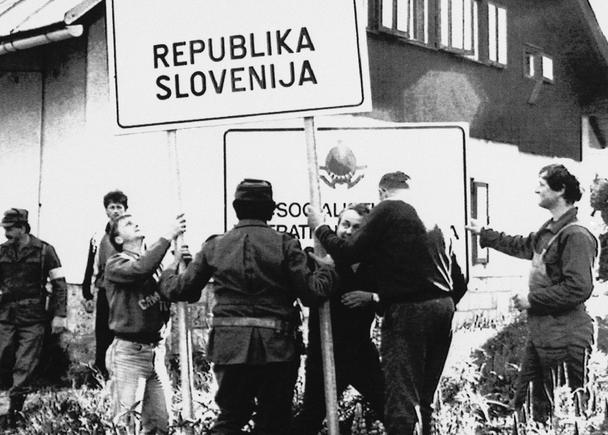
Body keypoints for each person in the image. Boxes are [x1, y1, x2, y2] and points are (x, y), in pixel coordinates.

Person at [159, 178, 337, 435]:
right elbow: (312, 293)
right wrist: (328, 269)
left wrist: (168, 271)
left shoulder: (215, 245)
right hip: (277, 346)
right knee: (273, 422)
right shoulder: (285, 243)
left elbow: (180, 290)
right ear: (271, 210)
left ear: (235, 207)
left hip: (230, 346)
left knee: (231, 416)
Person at [308, 171, 455, 435]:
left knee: (400, 400)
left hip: (410, 314)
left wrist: (320, 228)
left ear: (382, 192)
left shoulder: (388, 209)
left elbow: (348, 250)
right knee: (423, 401)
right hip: (444, 309)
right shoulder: (433, 215)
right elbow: (458, 280)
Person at [465, 164, 597, 421]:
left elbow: (578, 288)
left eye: (542, 184)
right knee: (527, 409)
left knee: (569, 413)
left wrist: (531, 300)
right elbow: (523, 245)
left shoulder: (576, 235)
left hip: (567, 337)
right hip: (544, 334)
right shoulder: (551, 230)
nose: (536, 189)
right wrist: (484, 233)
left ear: (560, 190)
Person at [291, 203, 384, 434]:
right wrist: (322, 270)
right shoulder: (315, 257)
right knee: (311, 417)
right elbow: (306, 296)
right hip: (324, 352)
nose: (349, 231)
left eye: (356, 227)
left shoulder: (375, 264)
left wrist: (371, 298)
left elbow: (391, 300)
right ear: (336, 226)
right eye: (345, 225)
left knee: (390, 408)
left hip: (360, 351)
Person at [0, 208, 67, 426]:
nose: (5, 232)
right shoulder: (1, 252)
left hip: (33, 318)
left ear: (23, 228)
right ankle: (10, 390)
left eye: (10, 228)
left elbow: (60, 285)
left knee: (25, 365)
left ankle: (14, 412)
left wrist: (59, 315)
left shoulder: (45, 251)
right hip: (6, 315)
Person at [103, 212, 186, 435]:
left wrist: (175, 263)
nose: (136, 224)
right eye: (128, 224)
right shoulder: (116, 263)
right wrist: (168, 236)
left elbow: (164, 290)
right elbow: (139, 270)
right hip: (129, 353)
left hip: (154, 353)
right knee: (124, 424)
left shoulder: (152, 263)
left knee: (160, 423)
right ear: (119, 239)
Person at [82, 190, 128, 377]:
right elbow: (91, 266)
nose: (116, 211)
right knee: (103, 334)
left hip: (126, 292)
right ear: (106, 210)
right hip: (105, 291)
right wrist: (87, 294)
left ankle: (123, 373)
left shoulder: (132, 234)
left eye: (119, 207)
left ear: (125, 210)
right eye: (112, 207)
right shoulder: (98, 237)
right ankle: (101, 374)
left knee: (124, 332)